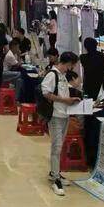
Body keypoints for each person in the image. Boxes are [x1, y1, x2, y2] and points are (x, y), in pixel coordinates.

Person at [42, 51, 81, 196]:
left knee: (60, 145)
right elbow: (46, 94)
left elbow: (63, 94)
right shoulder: (52, 75)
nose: (72, 68)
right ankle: (55, 179)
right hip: (55, 115)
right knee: (57, 147)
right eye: (72, 65)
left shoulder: (63, 76)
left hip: (65, 115)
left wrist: (72, 101)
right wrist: (65, 100)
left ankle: (55, 172)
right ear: (67, 63)